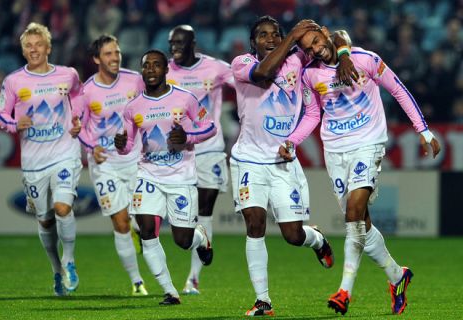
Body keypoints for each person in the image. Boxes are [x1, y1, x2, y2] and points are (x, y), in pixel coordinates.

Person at [279, 26, 441, 315]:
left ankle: (344, 291)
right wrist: (292, 140)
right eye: (309, 48)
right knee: (360, 224)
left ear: (325, 33)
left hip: (368, 143)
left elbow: (398, 89)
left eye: (316, 41)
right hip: (334, 150)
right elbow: (313, 114)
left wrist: (423, 130)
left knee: (354, 212)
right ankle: (397, 275)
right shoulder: (309, 74)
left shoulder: (365, 59)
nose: (315, 49)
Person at [230, 16, 356, 316]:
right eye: (263, 35)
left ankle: (316, 240)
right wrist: (292, 39)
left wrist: (342, 53)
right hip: (248, 159)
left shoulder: (299, 58)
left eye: (276, 34)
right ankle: (263, 300)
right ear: (252, 42)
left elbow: (333, 35)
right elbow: (264, 71)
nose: (270, 39)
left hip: (282, 161)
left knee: (292, 235)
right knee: (255, 224)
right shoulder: (241, 63)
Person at [114, 49, 216, 305]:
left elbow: (210, 127)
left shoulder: (186, 99)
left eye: (156, 65)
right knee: (147, 231)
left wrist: (189, 138)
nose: (150, 70)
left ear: (166, 70)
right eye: (146, 65)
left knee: (183, 241)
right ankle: (170, 291)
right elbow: (127, 146)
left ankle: (201, 238)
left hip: (181, 178)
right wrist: (120, 145)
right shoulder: (132, 107)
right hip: (148, 176)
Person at [0, 22, 83, 296]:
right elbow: (1, 115)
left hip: (64, 153)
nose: (33, 50)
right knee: (45, 220)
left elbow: (79, 96)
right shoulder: (13, 82)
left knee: (63, 208)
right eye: (28, 46)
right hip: (34, 161)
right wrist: (14, 124)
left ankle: (69, 260)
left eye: (38, 45)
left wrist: (78, 118)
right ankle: (56, 269)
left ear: (48, 47)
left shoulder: (67, 75)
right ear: (23, 51)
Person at [74, 34, 148, 296]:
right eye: (108, 54)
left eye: (116, 52)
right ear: (96, 59)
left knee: (144, 219)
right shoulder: (86, 91)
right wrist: (91, 147)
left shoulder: (134, 80)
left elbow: (150, 107)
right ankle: (137, 281)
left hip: (136, 159)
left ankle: (139, 229)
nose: (115, 57)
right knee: (120, 223)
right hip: (105, 165)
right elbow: (77, 126)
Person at [167, 24, 234, 295]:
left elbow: (246, 81)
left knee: (205, 208)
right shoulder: (165, 71)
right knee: (184, 215)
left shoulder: (215, 67)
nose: (175, 49)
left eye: (181, 43)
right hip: (177, 154)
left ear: (193, 43)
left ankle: (193, 278)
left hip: (210, 148)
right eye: (172, 43)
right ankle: (200, 242)